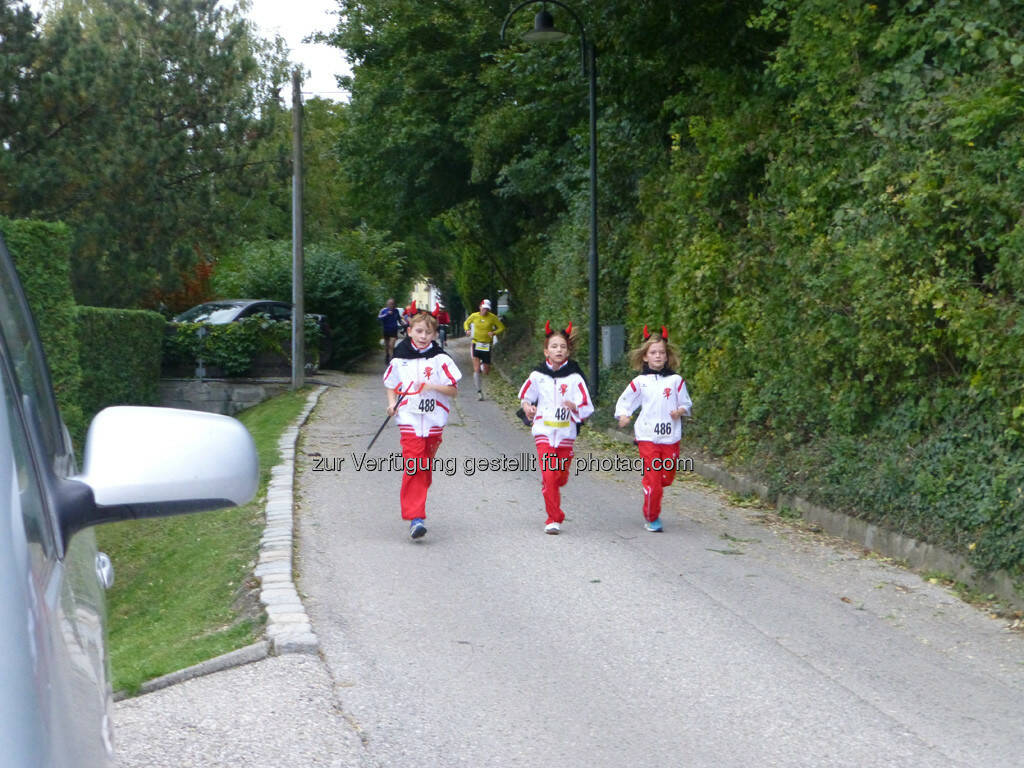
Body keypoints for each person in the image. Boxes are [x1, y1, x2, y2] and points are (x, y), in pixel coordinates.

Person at [382, 309, 461, 539]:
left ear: (435, 335)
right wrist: (392, 403)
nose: (423, 336)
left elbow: (454, 391)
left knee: (423, 468)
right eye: (418, 331)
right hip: (409, 419)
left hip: (435, 422)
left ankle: (416, 508)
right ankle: (416, 517)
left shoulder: (441, 359)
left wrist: (433, 386)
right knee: (414, 464)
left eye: (428, 332)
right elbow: (390, 384)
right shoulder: (400, 358)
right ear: (409, 332)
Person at [517, 322, 594, 534]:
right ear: (546, 351)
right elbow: (526, 396)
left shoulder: (575, 377)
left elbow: (587, 406)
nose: (558, 350)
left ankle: (558, 485)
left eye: (562, 347)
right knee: (549, 475)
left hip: (566, 435)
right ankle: (553, 518)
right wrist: (528, 407)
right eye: (554, 346)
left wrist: (574, 406)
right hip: (543, 431)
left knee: (559, 476)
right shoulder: (537, 375)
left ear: (568, 351)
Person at [614, 325, 692, 532]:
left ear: (667, 357)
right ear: (645, 357)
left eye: (661, 353)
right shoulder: (641, 382)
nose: (658, 356)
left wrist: (680, 411)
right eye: (653, 353)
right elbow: (626, 401)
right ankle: (651, 516)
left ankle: (653, 486)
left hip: (670, 438)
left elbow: (686, 403)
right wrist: (623, 415)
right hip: (647, 436)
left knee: (666, 477)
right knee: (654, 479)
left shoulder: (676, 381)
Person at [463, 298, 505, 400]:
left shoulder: (492, 318)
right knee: (476, 369)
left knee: (486, 371)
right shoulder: (474, 316)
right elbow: (466, 323)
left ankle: (483, 366)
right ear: (480, 307)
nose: (485, 310)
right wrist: (467, 330)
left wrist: (494, 333)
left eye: (487, 309)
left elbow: (501, 327)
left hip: (487, 345)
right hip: (476, 344)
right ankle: (479, 391)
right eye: (484, 308)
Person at [377, 298, 404, 362]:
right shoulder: (384, 310)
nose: (390, 305)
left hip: (394, 330)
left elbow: (399, 319)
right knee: (387, 345)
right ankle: (387, 355)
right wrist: (387, 314)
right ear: (387, 304)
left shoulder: (396, 311)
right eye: (389, 303)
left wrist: (404, 324)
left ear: (394, 304)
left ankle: (392, 359)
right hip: (386, 330)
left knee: (391, 345)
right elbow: (379, 318)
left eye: (392, 303)